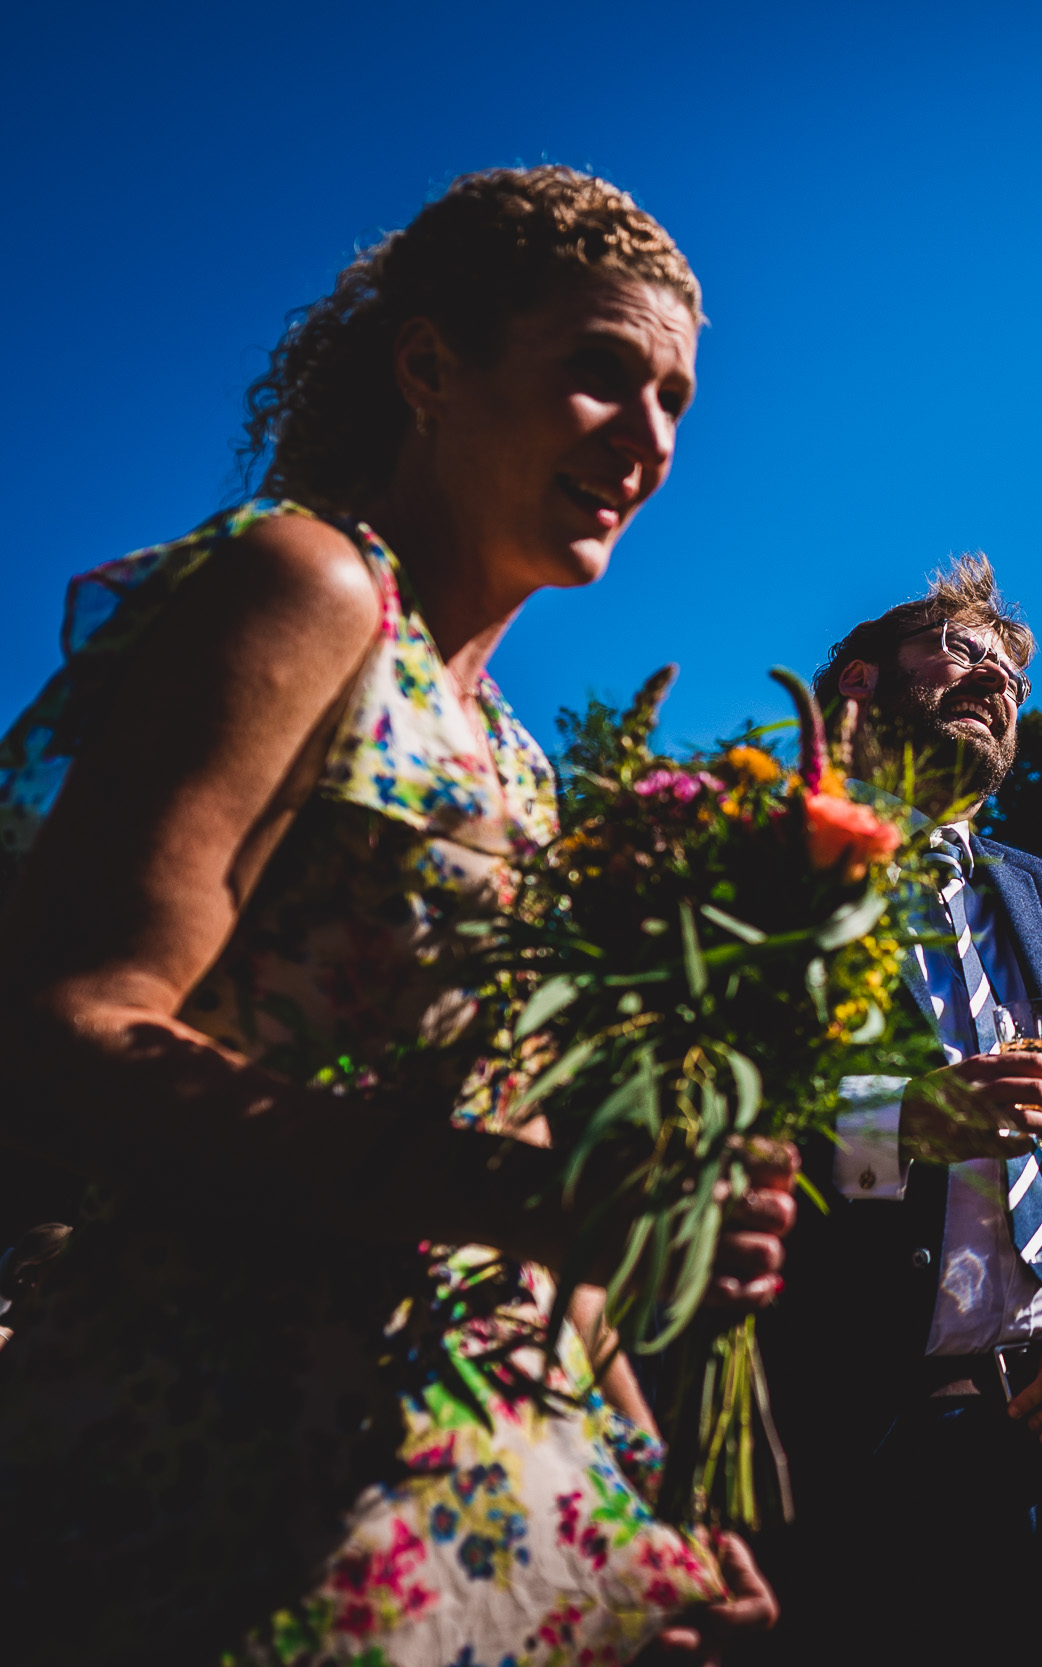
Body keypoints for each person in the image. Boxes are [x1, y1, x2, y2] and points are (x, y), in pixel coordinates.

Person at [0, 167, 788, 1665]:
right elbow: (67, 1023)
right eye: (598, 375)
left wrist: (646, 1499)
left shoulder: (530, 768)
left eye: (677, 400)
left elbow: (540, 1180)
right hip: (223, 1467)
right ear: (429, 367)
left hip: (488, 1501)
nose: (649, 441)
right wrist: (511, 1193)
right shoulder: (301, 585)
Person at [749, 559, 1042, 1666]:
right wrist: (892, 1127)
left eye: (1014, 674)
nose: (996, 677)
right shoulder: (755, 882)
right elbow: (689, 1131)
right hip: (868, 1454)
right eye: (961, 651)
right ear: (856, 685)